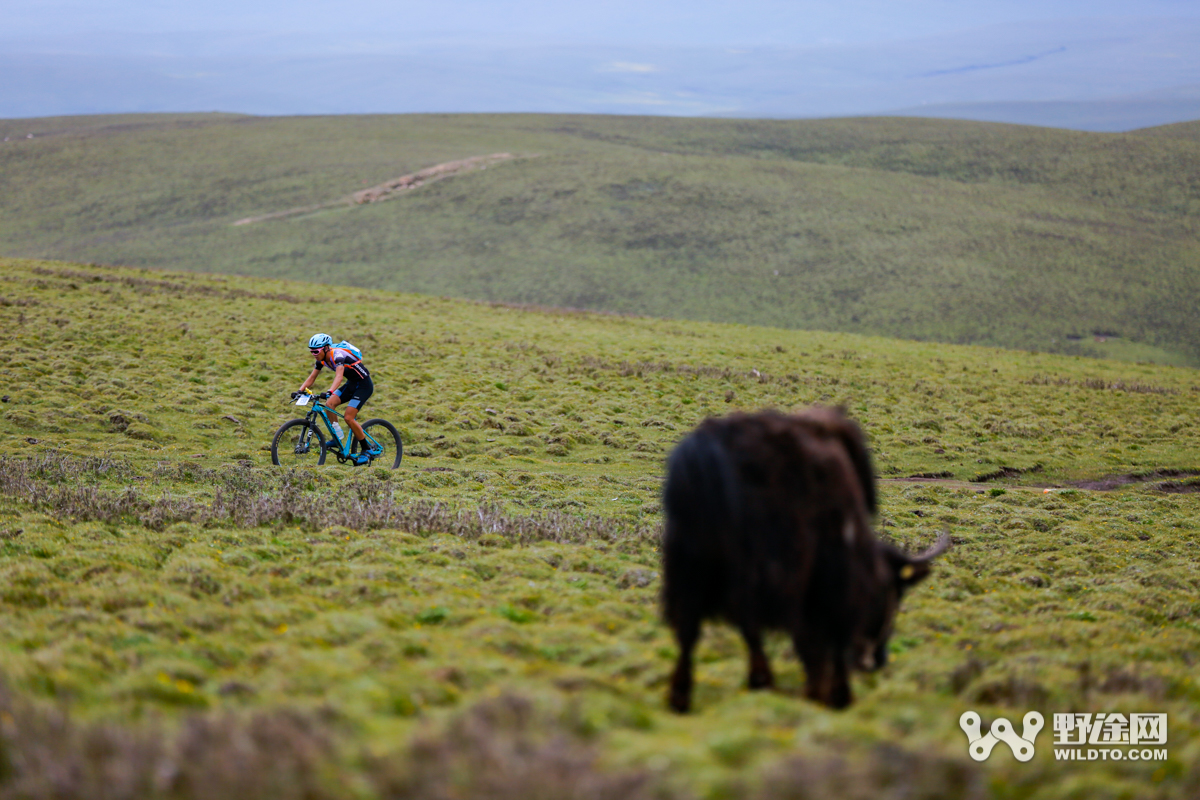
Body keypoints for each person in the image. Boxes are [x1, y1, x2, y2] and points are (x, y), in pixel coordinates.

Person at [295, 333, 379, 465]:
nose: (314, 354)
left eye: (316, 351)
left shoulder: (338, 355)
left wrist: (330, 391)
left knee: (348, 417)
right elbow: (312, 378)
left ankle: (366, 449)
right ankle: (337, 437)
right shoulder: (321, 359)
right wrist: (299, 391)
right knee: (329, 404)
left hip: (363, 386)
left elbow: (339, 377)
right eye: (311, 351)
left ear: (326, 348)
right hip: (351, 384)